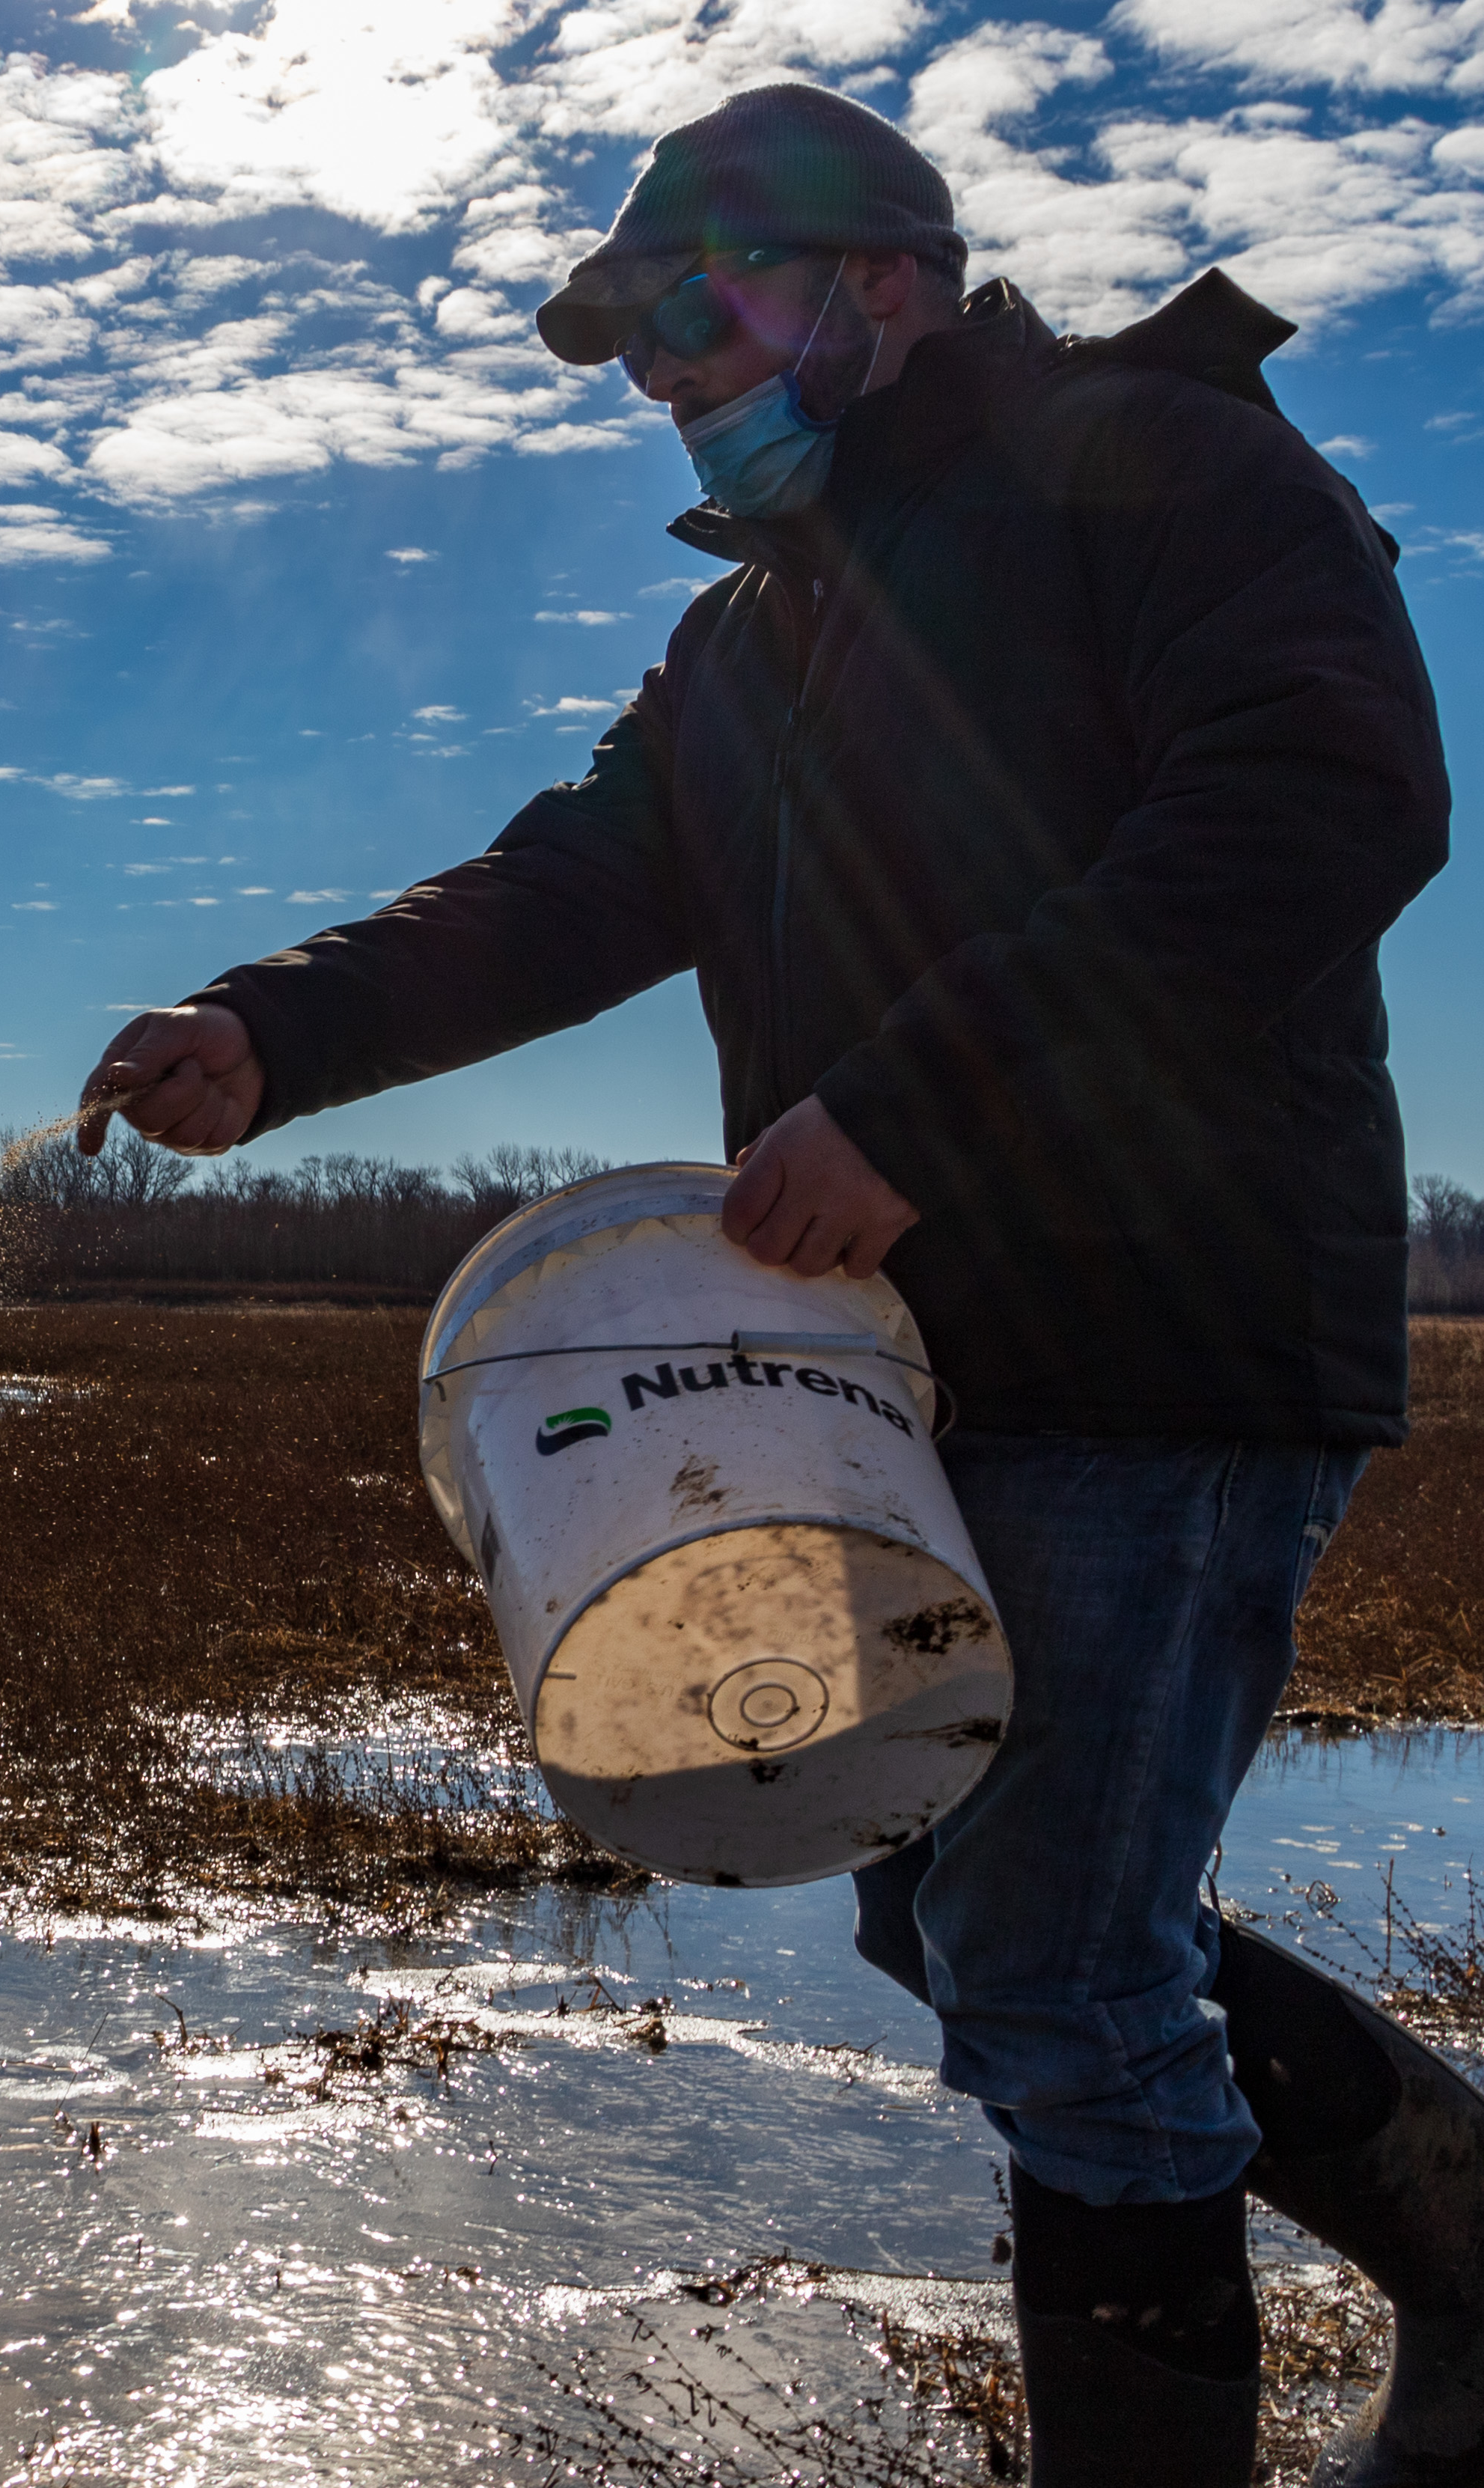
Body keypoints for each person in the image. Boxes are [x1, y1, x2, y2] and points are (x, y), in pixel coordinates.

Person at [77, 82, 1460, 2487]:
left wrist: (916, 1110)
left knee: (1047, 1953)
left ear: (882, 280)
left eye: (699, 314)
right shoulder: (750, 643)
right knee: (946, 1913)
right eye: (630, 348)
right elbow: (562, 889)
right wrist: (272, 1025)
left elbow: (1319, 801)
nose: (665, 377)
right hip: (916, 1378)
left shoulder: (1155, 470)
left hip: (1167, 1338)